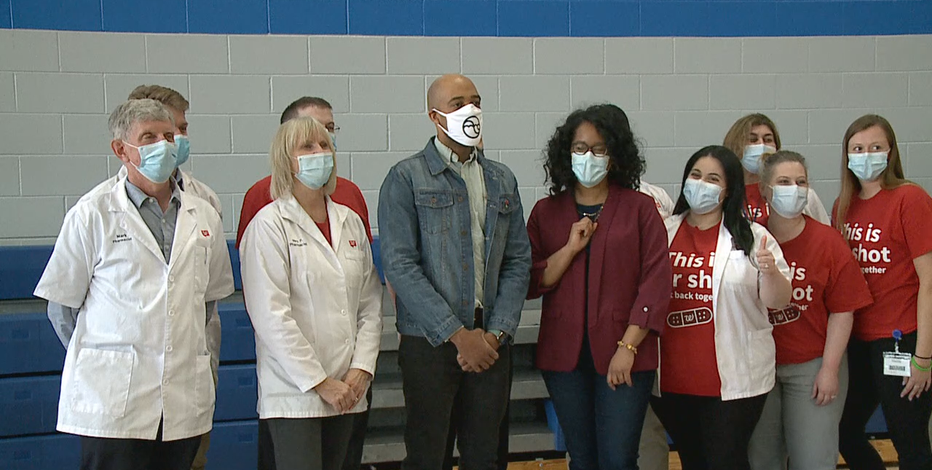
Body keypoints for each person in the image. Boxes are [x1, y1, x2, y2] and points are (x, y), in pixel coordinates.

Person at [35, 98, 235, 470]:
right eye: (148, 137)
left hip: (180, 401)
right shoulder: (92, 213)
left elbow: (208, 303)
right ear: (121, 149)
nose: (163, 145)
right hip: (114, 404)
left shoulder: (203, 214)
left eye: (168, 135)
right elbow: (62, 309)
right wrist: (103, 360)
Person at [378, 74, 531, 470]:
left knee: (486, 455)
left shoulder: (502, 178)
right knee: (429, 454)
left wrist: (495, 335)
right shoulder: (405, 178)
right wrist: (459, 336)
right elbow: (399, 264)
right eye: (457, 103)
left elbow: (517, 261)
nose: (470, 110)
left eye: (476, 101)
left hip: (492, 343)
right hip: (429, 343)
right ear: (434, 116)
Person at [526, 104, 671, 470]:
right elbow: (531, 279)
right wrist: (571, 248)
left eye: (599, 148)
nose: (588, 156)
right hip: (564, 358)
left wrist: (628, 346)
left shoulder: (640, 209)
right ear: (565, 152)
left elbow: (656, 282)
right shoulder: (546, 212)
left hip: (625, 354)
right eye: (579, 147)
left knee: (618, 458)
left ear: (615, 154)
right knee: (582, 458)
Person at [235, 97, 374, 470]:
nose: (319, 152)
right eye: (307, 146)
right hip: (296, 394)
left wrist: (361, 369)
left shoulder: (350, 221)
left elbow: (369, 303)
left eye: (325, 144)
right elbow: (270, 315)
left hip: (350, 389)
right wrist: (320, 382)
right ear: (286, 158)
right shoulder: (268, 224)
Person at [651, 145, 792, 470]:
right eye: (696, 175)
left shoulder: (753, 236)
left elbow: (778, 300)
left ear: (729, 189)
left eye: (713, 178)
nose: (701, 184)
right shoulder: (665, 231)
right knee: (694, 460)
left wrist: (769, 271)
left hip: (734, 381)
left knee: (725, 460)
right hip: (672, 380)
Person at [746, 151, 872, 470]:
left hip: (813, 365)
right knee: (762, 458)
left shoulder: (828, 242)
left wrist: (830, 370)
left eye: (800, 182)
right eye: (784, 182)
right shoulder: (749, 238)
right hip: (762, 367)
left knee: (813, 459)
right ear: (764, 189)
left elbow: (844, 311)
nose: (794, 189)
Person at [835, 115, 932, 470]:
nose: (866, 155)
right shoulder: (844, 205)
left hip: (903, 340)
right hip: (859, 341)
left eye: (875, 147)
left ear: (890, 153)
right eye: (858, 149)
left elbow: (929, 283)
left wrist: (924, 357)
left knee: (909, 439)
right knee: (844, 429)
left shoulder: (910, 198)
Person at [236, 97, 371, 248]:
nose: (324, 134)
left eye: (330, 128)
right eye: (313, 129)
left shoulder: (350, 192)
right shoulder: (261, 194)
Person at [722, 114, 829, 225]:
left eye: (768, 140)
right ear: (735, 146)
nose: (761, 145)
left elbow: (824, 232)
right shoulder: (725, 193)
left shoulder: (799, 191)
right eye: (753, 140)